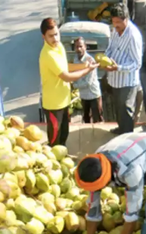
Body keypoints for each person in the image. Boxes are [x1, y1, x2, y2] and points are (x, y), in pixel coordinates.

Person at [39, 18, 99, 146]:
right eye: (51, 36)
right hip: (54, 105)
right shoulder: (48, 54)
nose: (55, 39)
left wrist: (84, 65)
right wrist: (87, 70)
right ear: (43, 37)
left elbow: (65, 66)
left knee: (64, 135)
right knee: (55, 140)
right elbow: (66, 76)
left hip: (64, 101)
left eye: (56, 34)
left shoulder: (58, 46)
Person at [104, 4, 143, 134]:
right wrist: (104, 58)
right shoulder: (115, 30)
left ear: (126, 19)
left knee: (126, 109)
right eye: (113, 22)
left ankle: (127, 136)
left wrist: (118, 67)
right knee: (118, 107)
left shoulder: (133, 36)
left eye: (118, 22)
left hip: (127, 81)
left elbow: (137, 63)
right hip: (115, 79)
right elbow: (111, 47)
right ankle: (121, 129)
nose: (115, 25)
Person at [73, 38, 103, 124]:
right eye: (76, 47)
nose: (78, 49)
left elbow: (88, 82)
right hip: (83, 96)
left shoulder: (90, 61)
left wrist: (74, 85)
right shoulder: (75, 59)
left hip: (93, 95)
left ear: (85, 47)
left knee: (97, 120)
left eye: (80, 46)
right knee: (86, 119)